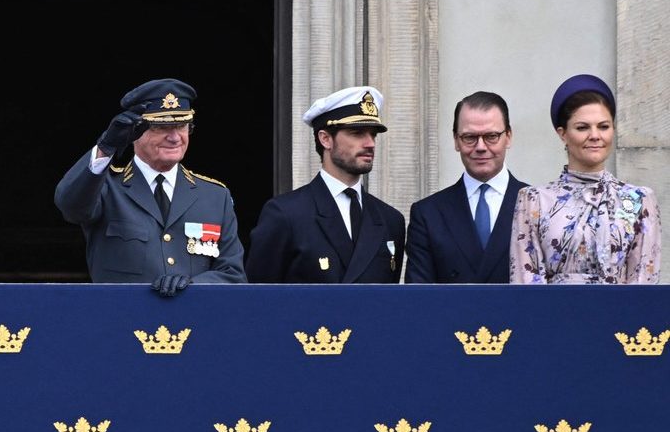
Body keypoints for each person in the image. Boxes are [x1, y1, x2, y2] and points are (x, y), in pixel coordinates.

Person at [54, 78, 245, 297]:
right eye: (162, 126)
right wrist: (106, 148)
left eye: (181, 125)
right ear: (135, 131)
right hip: (122, 322)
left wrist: (193, 286)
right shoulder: (106, 187)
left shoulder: (214, 196)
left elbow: (233, 275)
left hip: (194, 324)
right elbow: (70, 206)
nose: (174, 137)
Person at [510, 74, 661, 283]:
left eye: (603, 126)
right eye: (582, 127)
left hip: (621, 314)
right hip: (551, 314)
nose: (595, 135)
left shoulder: (639, 200)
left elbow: (644, 283)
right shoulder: (534, 200)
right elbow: (525, 284)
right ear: (562, 134)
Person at [246, 86, 405, 283]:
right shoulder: (285, 214)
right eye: (357, 133)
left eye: (373, 134)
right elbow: (258, 299)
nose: (370, 143)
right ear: (325, 139)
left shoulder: (390, 220)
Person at [405, 92, 528, 283]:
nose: (480, 147)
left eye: (491, 136)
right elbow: (420, 297)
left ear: (508, 137)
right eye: (469, 137)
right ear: (456, 140)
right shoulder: (428, 213)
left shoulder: (536, 205)